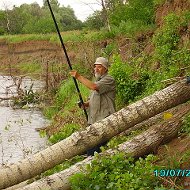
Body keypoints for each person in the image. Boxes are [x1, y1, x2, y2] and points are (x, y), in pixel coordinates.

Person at [69, 57, 116, 155]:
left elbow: (94, 87)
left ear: (106, 68)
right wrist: (85, 104)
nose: (96, 69)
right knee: (90, 149)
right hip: (94, 121)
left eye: (99, 67)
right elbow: (94, 100)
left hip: (104, 121)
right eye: (95, 67)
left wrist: (78, 77)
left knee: (93, 151)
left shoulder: (109, 79)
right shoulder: (97, 81)